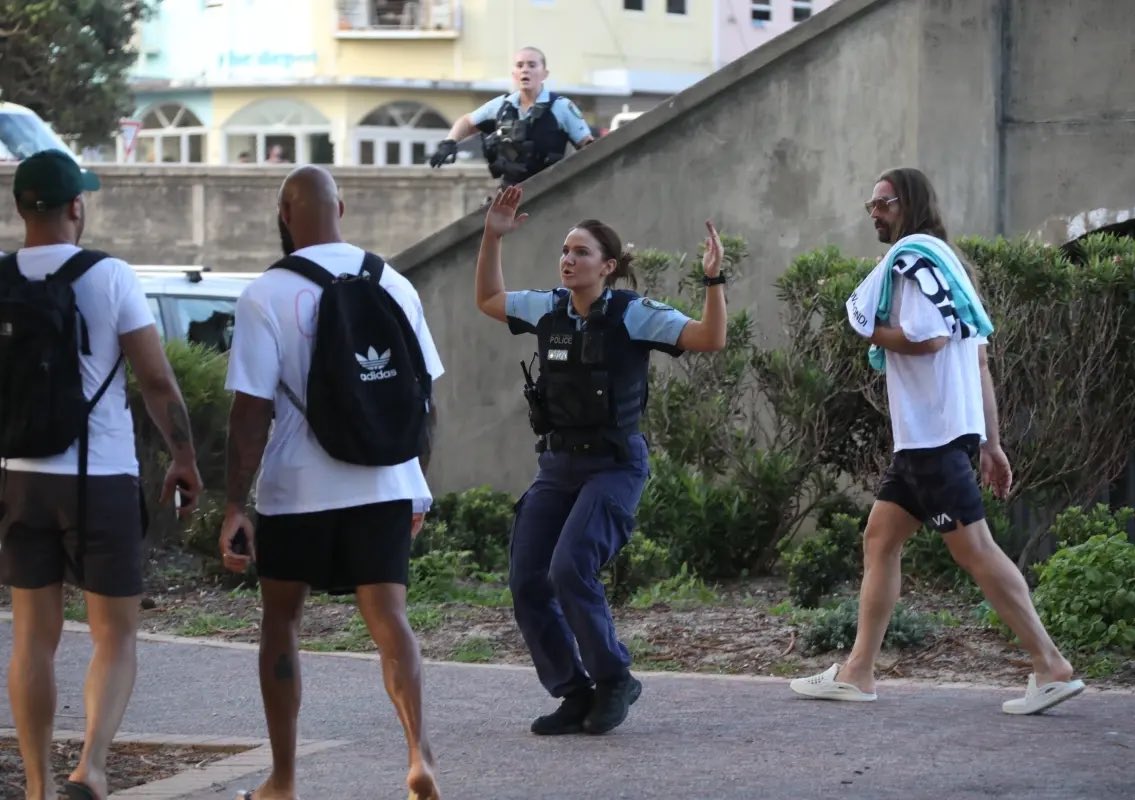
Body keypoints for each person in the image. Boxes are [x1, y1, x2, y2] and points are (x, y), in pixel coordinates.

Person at [789, 167, 1085, 715]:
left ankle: (1050, 664)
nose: (873, 212)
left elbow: (928, 339)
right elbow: (978, 358)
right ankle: (858, 671)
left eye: (884, 202)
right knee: (879, 539)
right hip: (932, 439)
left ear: (911, 204)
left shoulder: (913, 260)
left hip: (932, 437)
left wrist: (864, 330)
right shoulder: (948, 265)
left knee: (975, 551)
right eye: (870, 204)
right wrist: (991, 444)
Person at [219, 165, 442, 800]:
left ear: (284, 215)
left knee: (281, 623)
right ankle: (418, 755)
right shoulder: (393, 281)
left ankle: (283, 780)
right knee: (390, 620)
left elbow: (250, 411)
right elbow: (424, 397)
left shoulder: (266, 293)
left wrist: (236, 503)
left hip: (297, 490)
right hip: (383, 483)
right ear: (341, 206)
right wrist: (415, 483)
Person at [475, 186, 728, 735]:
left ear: (608, 266)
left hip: (614, 466)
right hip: (558, 466)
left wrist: (713, 280)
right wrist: (492, 237)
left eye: (582, 252)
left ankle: (615, 679)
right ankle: (573, 691)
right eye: (565, 250)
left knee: (570, 568)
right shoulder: (548, 308)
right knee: (527, 580)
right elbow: (489, 299)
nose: (568, 259)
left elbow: (710, 337)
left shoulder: (633, 315)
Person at [0, 149, 203, 800]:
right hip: (100, 476)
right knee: (114, 634)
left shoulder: (1, 278)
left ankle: (34, 785)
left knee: (33, 637)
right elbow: (154, 378)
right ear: (76, 208)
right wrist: (184, 456)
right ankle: (89, 766)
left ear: (21, 209)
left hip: (18, 477)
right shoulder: (110, 276)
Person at [429, 46, 594, 187]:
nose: (525, 70)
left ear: (544, 73)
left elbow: (588, 146)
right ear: (514, 74)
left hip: (550, 189)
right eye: (520, 65)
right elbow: (467, 121)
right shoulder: (502, 105)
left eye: (532, 65)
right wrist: (449, 142)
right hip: (510, 192)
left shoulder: (561, 106)